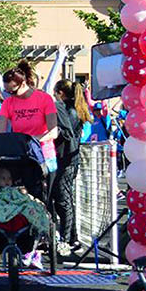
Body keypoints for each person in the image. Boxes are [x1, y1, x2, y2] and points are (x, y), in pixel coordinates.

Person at [0, 60, 60, 195]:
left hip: (44, 156)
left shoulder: (44, 99)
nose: (9, 95)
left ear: (23, 84)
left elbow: (53, 132)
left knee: (43, 197)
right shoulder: (8, 103)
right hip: (21, 157)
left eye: (12, 92)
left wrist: (33, 139)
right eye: (7, 91)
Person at [0, 166, 52, 270]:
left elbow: (25, 198)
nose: (7, 181)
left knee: (33, 206)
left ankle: (35, 247)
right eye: (3, 178)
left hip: (19, 214)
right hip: (2, 215)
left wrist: (24, 194)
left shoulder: (17, 189)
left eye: (9, 178)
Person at [51, 80, 87, 256]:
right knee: (63, 198)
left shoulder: (67, 110)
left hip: (66, 159)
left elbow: (65, 134)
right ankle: (72, 237)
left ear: (60, 93)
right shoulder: (75, 109)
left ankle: (68, 239)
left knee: (63, 199)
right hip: (68, 159)